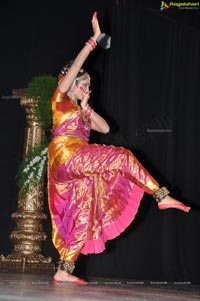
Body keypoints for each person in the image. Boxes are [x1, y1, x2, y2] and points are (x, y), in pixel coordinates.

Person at [47, 11, 190, 284]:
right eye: (84, 85)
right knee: (122, 156)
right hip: (68, 154)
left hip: (74, 162)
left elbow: (105, 129)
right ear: (72, 83)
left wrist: (87, 108)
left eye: (89, 85)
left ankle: (64, 269)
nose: (88, 88)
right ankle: (160, 196)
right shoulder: (60, 98)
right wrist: (93, 41)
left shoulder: (80, 109)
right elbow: (72, 73)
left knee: (84, 210)